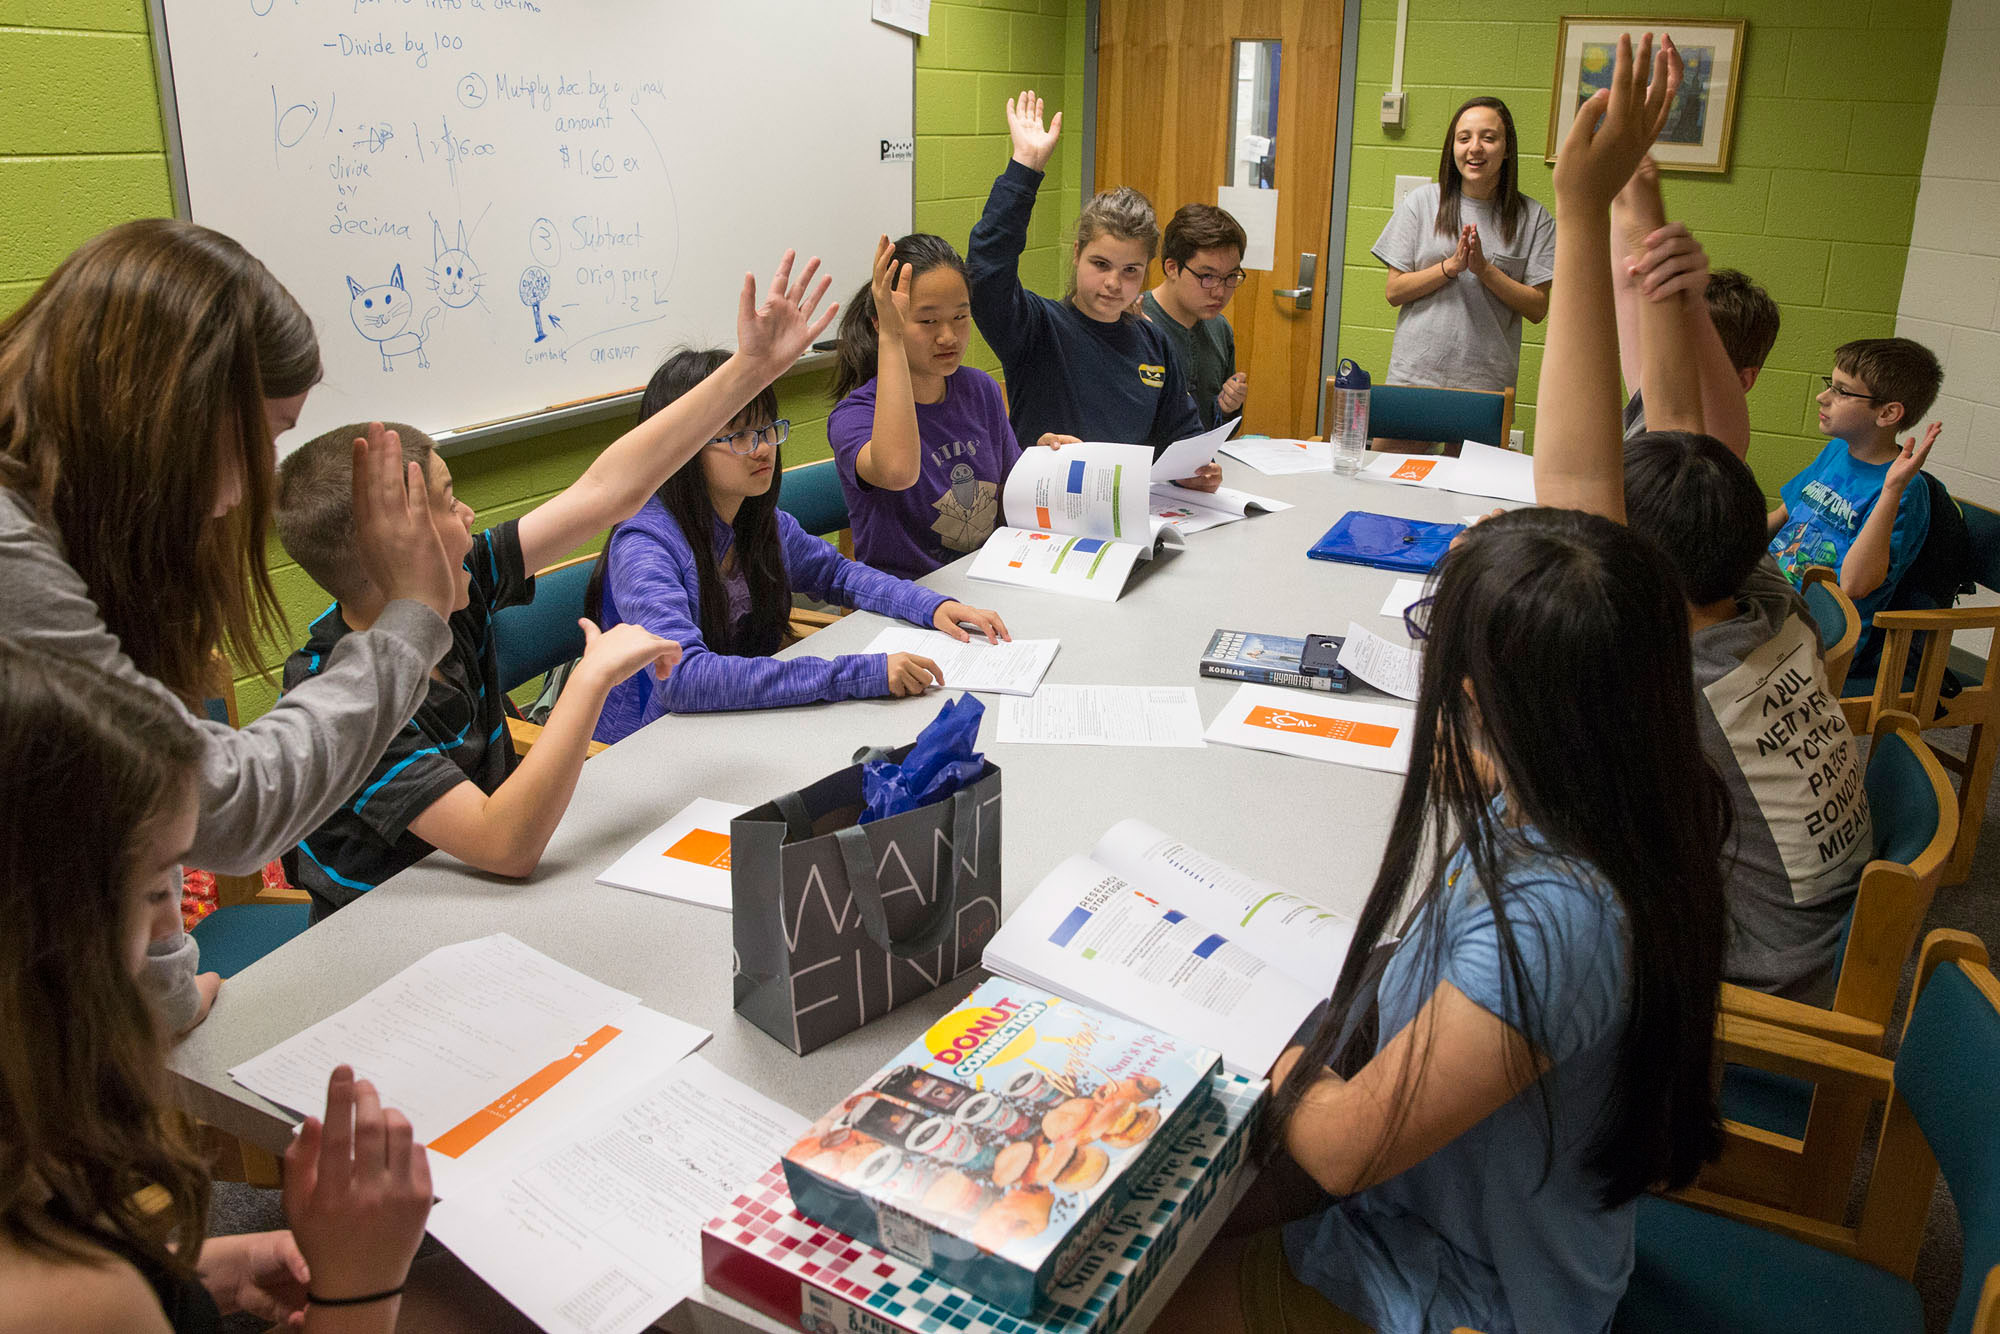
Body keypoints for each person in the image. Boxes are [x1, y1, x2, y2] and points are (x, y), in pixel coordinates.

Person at [1167, 37, 1727, 1334]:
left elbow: (1348, 1142)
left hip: (1469, 1289)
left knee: (1161, 1279)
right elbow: (1586, 504)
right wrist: (1586, 217)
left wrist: (1264, 1045)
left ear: (1500, 703)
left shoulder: (1557, 911)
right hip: (1468, 1214)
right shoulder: (1631, 752)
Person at [0, 218, 460, 1034]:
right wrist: (412, 617)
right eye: (266, 436)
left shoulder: (66, 511)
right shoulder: (12, 553)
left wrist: (166, 993)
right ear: (176, 411)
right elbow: (221, 800)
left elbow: (129, 809)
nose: (247, 487)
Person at [274, 252, 836, 916]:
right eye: (449, 503)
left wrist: (749, 373)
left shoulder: (454, 583)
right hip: (395, 932)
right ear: (394, 549)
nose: (469, 517)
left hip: (493, 899)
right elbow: (505, 843)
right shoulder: (340, 697)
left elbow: (609, 490)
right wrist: (591, 678)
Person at [0, 640, 529, 1333]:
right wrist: (354, 1298)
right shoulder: (73, 1298)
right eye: (162, 886)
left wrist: (189, 1273)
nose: (176, 926)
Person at [1551, 150, 1870, 1002]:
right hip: (1810, 933)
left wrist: (1589, 211)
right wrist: (1636, 202)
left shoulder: (1671, 679)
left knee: (1531, 913)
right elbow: (1685, 424)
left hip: (1746, 983)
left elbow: (1589, 480)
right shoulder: (1765, 594)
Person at [591, 348, 1011, 742]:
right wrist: (858, 674)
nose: (763, 450)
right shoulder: (645, 546)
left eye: (767, 429)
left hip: (734, 728)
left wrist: (932, 606)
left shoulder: (758, 521)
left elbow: (837, 573)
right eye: (739, 436)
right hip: (648, 747)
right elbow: (682, 679)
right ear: (680, 449)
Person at [966, 90, 1220, 491]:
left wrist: (1195, 470)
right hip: (1044, 513)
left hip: (1126, 514)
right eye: (1100, 265)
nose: (1113, 283)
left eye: (1130, 270)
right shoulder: (1036, 328)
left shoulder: (1154, 343)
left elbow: (1180, 435)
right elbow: (985, 270)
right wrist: (1024, 169)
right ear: (1077, 254)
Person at [828, 233, 1024, 579]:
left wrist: (1051, 465)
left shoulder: (982, 390)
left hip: (985, 582)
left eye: (960, 318)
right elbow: (895, 471)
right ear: (882, 322)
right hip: (907, 601)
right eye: (928, 321)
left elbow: (1013, 494)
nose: (948, 336)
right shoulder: (854, 416)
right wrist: (890, 336)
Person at [1372, 95, 1555, 443]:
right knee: (1392, 486)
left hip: (1485, 390)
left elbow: (1536, 307)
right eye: (1464, 138)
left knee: (1466, 495)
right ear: (1452, 147)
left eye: (1488, 137)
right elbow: (1394, 292)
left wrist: (1485, 270)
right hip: (1415, 379)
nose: (1475, 148)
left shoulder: (1534, 218)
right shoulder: (1422, 203)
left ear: (1507, 149)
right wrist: (1450, 267)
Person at [1767, 337, 1946, 658]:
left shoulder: (1906, 490)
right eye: (1829, 385)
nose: (1823, 397)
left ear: (1888, 413)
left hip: (1819, 635)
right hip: (1770, 599)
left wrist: (1891, 491)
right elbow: (1781, 518)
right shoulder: (1836, 450)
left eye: (1841, 390)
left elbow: (1854, 585)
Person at [1611, 198, 1778, 458]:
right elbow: (1626, 283)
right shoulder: (1651, 395)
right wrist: (1625, 182)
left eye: (1688, 355)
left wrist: (1690, 297)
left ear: (1743, 380)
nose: (1669, 357)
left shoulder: (1718, 447)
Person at [1141, 204, 1249, 430]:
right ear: (1172, 268)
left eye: (1231, 276)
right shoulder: (1135, 321)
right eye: (1207, 276)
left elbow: (1213, 430)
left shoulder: (1220, 328)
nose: (1220, 292)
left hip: (1200, 463)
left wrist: (1228, 409)